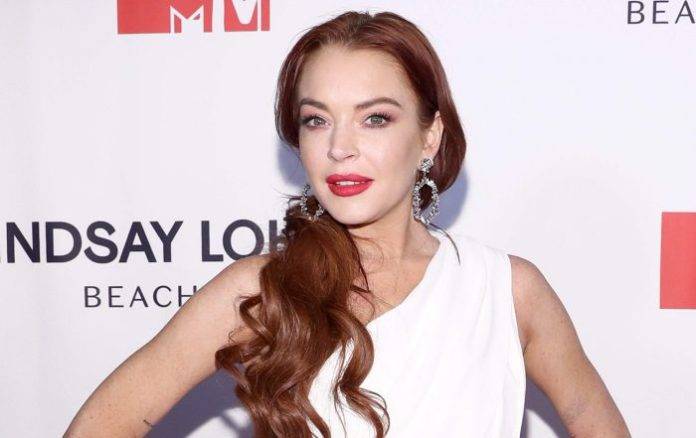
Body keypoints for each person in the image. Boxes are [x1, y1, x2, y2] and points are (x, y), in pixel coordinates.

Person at [65, 10, 631, 438]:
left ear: (429, 136)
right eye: (317, 120)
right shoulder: (263, 289)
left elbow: (593, 418)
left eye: (375, 118)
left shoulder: (507, 290)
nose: (340, 147)